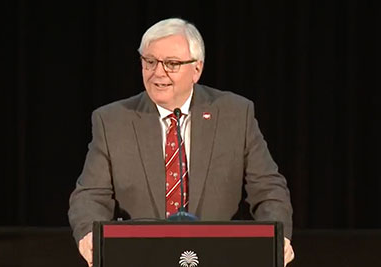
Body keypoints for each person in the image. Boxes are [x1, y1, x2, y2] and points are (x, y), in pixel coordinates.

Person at [68, 17, 294, 266]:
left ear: (196, 69)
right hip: (140, 257)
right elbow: (90, 195)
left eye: (172, 64)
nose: (158, 73)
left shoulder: (235, 113)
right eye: (150, 62)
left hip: (218, 256)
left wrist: (278, 237)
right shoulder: (112, 120)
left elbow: (268, 189)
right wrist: (89, 235)